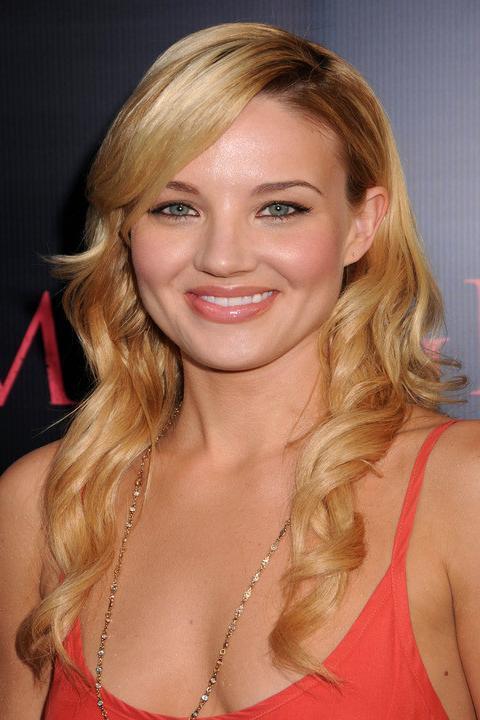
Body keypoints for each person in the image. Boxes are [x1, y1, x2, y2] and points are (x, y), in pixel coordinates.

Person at [0, 21, 478, 720]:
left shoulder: (461, 491)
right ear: (127, 229)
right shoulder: (44, 503)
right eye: (176, 207)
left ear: (361, 225)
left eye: (279, 208)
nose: (223, 258)